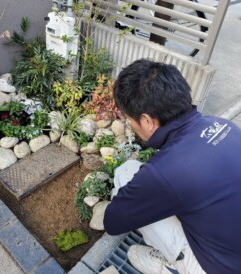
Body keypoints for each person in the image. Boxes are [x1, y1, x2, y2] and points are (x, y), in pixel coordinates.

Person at [103, 59, 241, 273]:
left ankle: (173, 265)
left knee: (126, 173)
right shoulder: (224, 126)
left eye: (130, 120)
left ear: (147, 121)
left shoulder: (164, 172)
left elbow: (113, 222)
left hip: (221, 268)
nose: (131, 125)